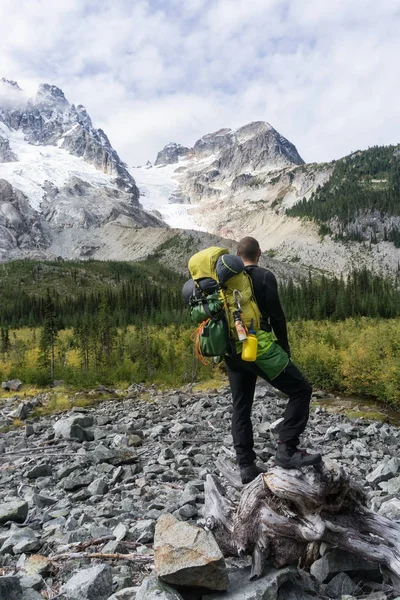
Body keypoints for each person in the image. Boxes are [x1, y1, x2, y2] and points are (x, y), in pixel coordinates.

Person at [224, 236, 321, 484]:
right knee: (301, 390)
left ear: (237, 254)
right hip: (258, 347)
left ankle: (246, 465)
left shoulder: (224, 281)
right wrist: (284, 348)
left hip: (232, 350)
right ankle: (286, 449)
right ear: (259, 253)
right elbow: (277, 317)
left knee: (241, 405)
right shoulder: (264, 276)